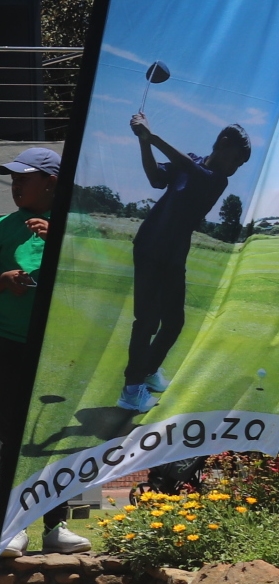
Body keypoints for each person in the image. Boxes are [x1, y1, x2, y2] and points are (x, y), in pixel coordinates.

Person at [0, 146, 86, 554]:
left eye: (24, 178)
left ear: (51, 183)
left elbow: (96, 280)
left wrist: (59, 241)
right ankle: (13, 527)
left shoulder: (77, 228)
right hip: (8, 342)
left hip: (60, 343)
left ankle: (57, 527)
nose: (15, 185)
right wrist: (3, 281)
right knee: (14, 437)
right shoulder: (1, 228)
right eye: (13, 179)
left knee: (54, 436)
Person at [120, 114, 251, 413]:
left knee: (173, 322)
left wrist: (151, 137)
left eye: (240, 165)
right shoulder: (190, 161)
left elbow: (191, 170)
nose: (235, 168)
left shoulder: (216, 179)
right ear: (224, 143)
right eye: (236, 159)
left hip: (174, 254)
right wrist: (144, 142)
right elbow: (156, 178)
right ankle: (131, 390)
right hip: (152, 246)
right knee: (147, 321)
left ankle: (148, 371)